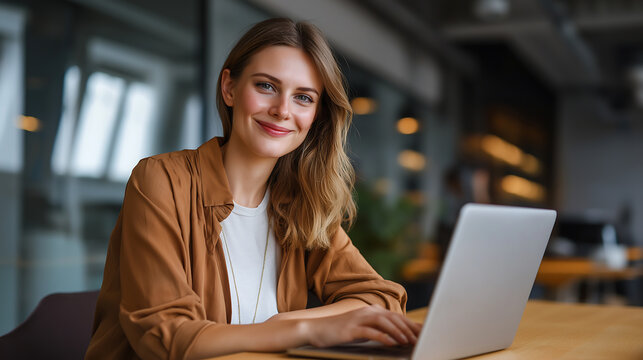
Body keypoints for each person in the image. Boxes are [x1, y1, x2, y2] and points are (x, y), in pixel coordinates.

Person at [85, 18, 421, 359]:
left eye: (303, 97)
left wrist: (295, 322)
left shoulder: (299, 202)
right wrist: (304, 329)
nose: (281, 111)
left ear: (317, 116)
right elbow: (165, 337)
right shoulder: (160, 181)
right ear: (229, 88)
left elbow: (383, 300)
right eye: (266, 86)